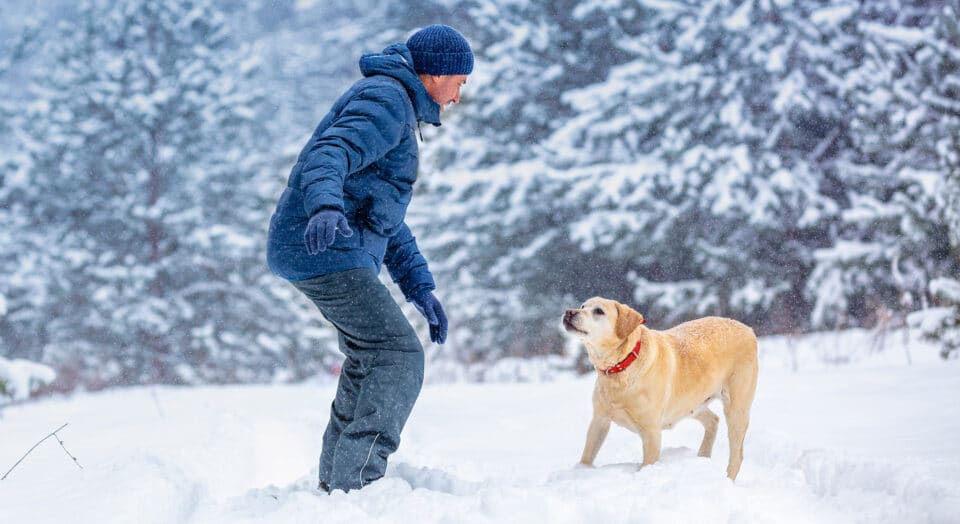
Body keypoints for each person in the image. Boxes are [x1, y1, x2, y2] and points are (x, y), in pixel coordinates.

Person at [266, 24, 473, 493]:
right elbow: (329, 152)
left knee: (369, 355)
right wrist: (323, 206)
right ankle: (357, 485)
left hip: (323, 244)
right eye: (459, 83)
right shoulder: (386, 100)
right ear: (436, 74)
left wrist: (418, 285)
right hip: (320, 244)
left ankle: (338, 486)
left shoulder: (395, 104)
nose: (458, 97)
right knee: (397, 355)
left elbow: (383, 216)